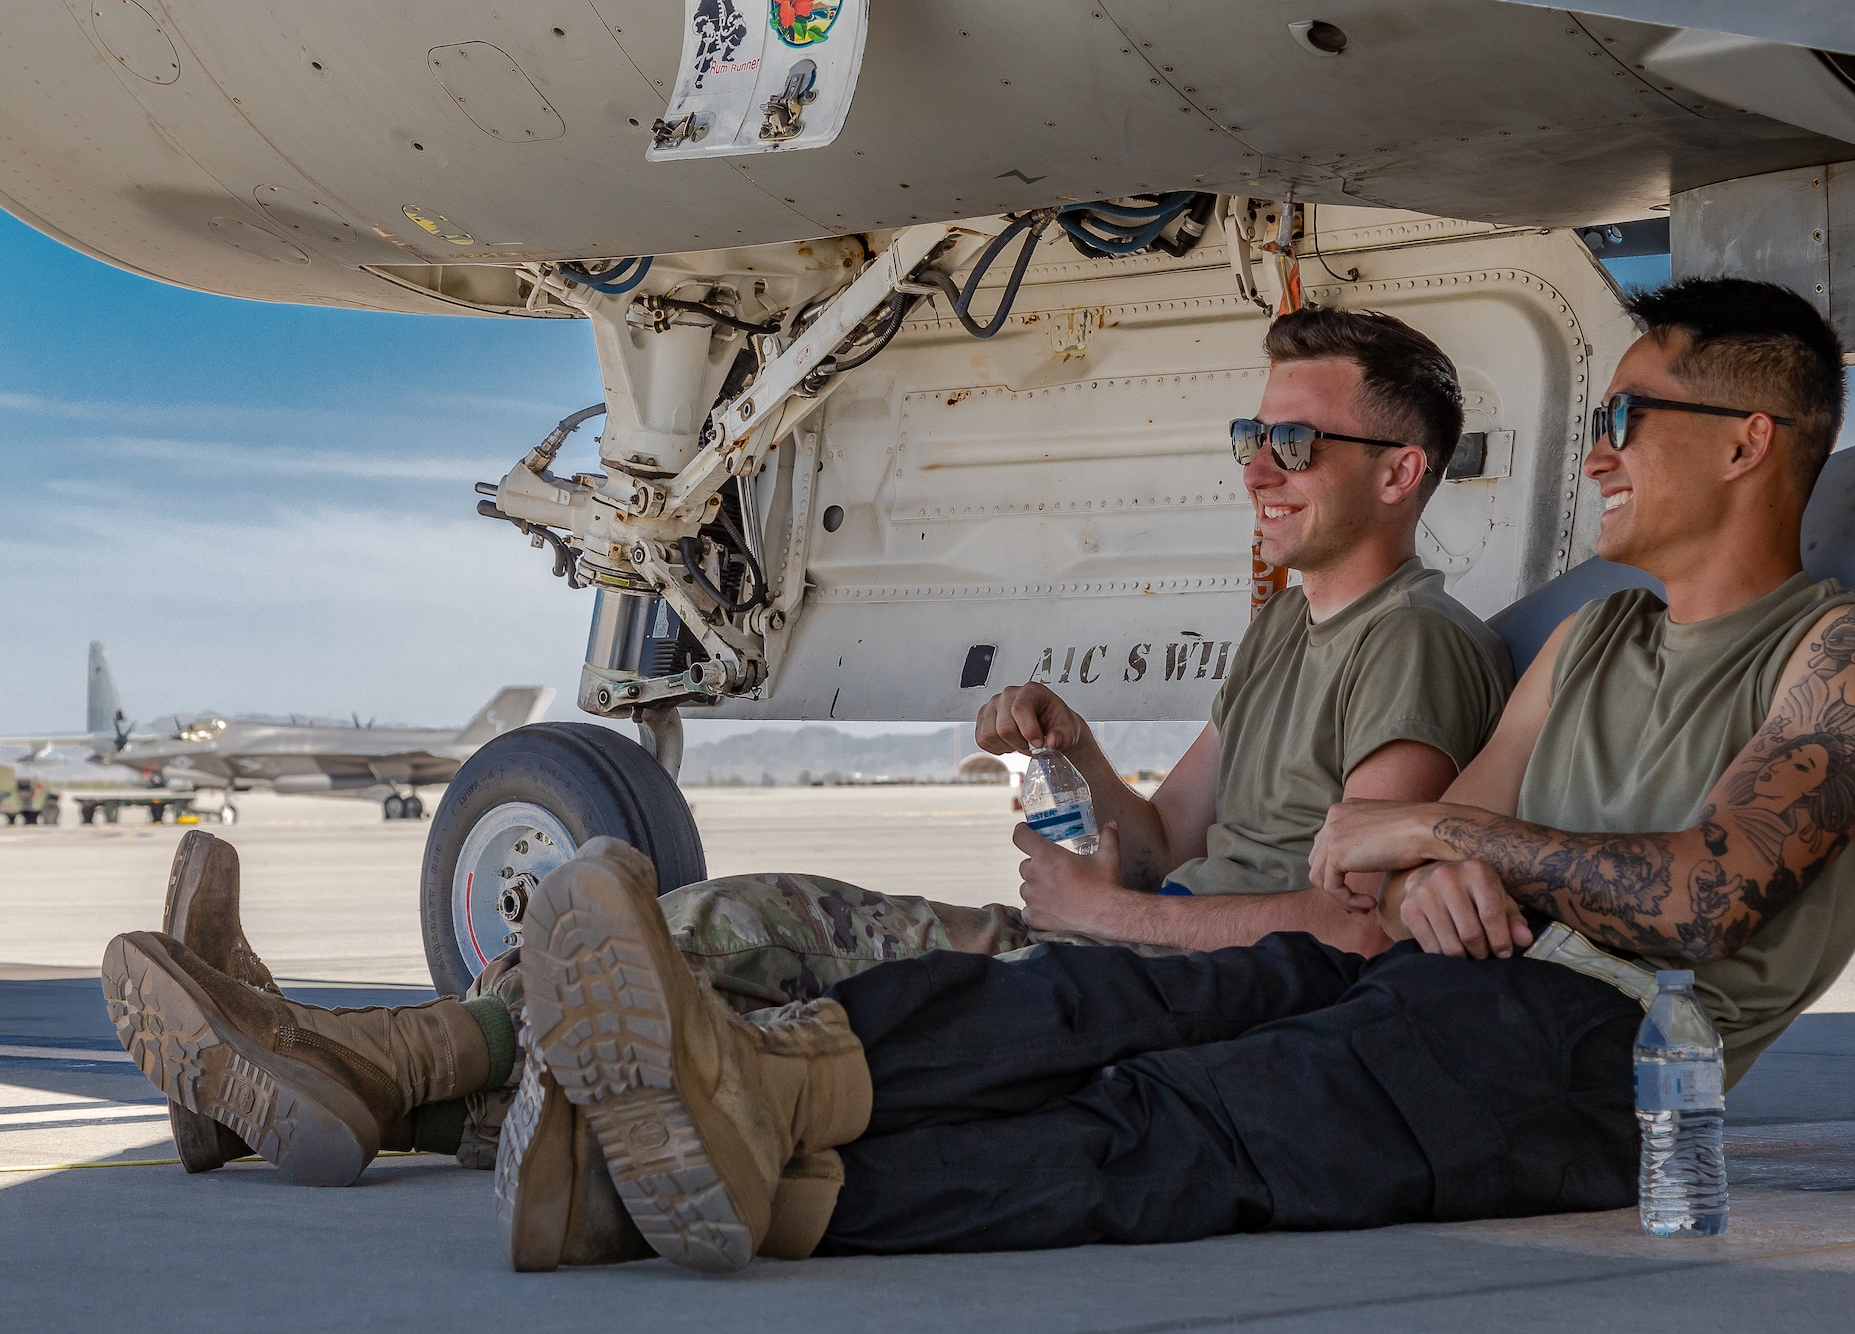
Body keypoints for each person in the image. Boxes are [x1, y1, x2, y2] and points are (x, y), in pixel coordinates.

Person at [474, 275, 1855, 1272]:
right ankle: (759, 1082)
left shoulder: (1853, 651)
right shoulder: (1599, 633)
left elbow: (1704, 899)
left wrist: (1443, 836)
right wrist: (1434, 855)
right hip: (1442, 983)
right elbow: (1389, 851)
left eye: (1624, 421)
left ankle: (701, 1196)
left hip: (1601, 1058)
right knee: (1099, 1002)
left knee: (1179, 1129)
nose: (1599, 454)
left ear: (1746, 442)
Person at [100, 308, 1514, 1195]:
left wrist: (1104, 914)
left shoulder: (1417, 646)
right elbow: (1172, 835)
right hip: (1147, 942)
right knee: (688, 983)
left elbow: (1355, 927)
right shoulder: (1283, 630)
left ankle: (327, 1065)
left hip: (1189, 982)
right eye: (1247, 433)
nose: (1256, 465)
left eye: (1293, 440)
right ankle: (317, 1073)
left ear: (1400, 472)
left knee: (729, 931)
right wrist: (1079, 760)